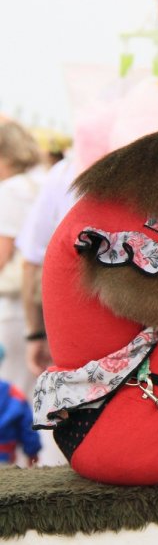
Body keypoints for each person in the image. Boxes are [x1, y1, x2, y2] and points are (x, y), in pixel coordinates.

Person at [0, 120, 47, 397]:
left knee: (11, 392)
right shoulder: (43, 181)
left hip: (12, 306)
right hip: (42, 300)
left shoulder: (9, 191)